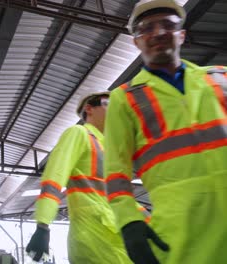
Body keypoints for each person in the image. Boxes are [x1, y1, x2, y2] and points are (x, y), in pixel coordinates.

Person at [104, 0, 227, 263]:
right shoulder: (125, 99)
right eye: (146, 28)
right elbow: (116, 173)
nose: (158, 33)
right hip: (183, 232)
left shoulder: (220, 78)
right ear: (136, 41)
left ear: (181, 35)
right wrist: (129, 222)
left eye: (168, 25)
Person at [25, 92, 134, 263]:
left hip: (119, 239)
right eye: (108, 103)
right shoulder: (78, 133)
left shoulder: (111, 151)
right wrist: (43, 225)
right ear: (89, 109)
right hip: (93, 239)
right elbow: (55, 176)